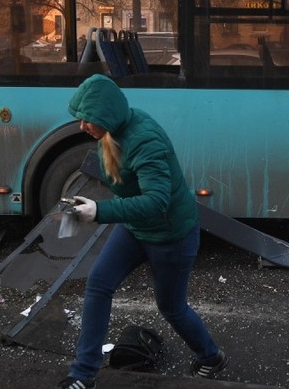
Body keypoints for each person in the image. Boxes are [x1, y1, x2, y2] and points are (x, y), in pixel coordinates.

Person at [57, 74, 228, 389]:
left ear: (105, 116)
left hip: (170, 236)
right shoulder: (112, 131)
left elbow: (157, 201)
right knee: (98, 284)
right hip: (136, 230)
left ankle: (211, 356)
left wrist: (100, 211)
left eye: (87, 119)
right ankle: (83, 374)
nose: (82, 126)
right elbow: (127, 185)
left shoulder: (145, 139)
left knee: (171, 308)